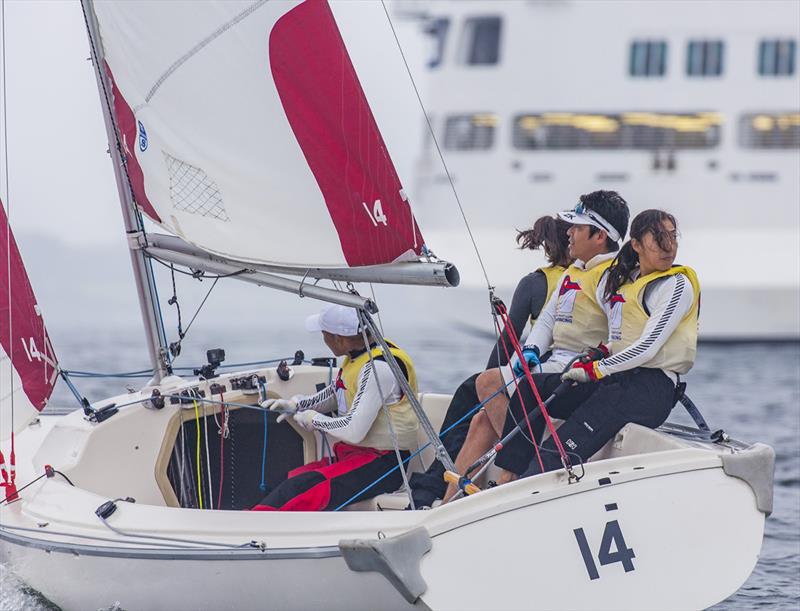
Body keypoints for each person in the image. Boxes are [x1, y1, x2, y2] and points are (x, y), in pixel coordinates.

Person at [445, 190, 631, 500]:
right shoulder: (575, 270)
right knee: (481, 420)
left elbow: (619, 338)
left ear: (599, 235)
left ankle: (525, 473)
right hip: (552, 363)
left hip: (579, 374)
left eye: (576, 227)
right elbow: (545, 321)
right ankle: (447, 503)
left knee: (488, 381)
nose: (568, 232)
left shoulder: (610, 278)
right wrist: (530, 350)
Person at [506, 209, 700, 480]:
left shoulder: (677, 286)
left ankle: (529, 484)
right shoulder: (627, 284)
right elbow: (622, 339)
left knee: (559, 447)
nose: (669, 246)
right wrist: (601, 353)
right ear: (635, 244)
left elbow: (647, 348)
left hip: (651, 389)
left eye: (672, 236)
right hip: (618, 379)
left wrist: (597, 369)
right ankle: (508, 478)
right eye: (657, 237)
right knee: (531, 389)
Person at [408, 214, 573, 508]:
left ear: (548, 248)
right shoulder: (590, 280)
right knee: (478, 410)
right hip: (555, 374)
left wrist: (487, 384)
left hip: (533, 377)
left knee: (470, 394)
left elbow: (508, 342)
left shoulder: (537, 282)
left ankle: (432, 489)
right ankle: (452, 498)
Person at [252, 304, 418, 511]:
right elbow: (337, 390)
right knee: (290, 477)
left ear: (339, 339)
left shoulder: (378, 369)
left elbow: (354, 430)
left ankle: (248, 530)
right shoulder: (358, 356)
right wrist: (296, 404)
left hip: (385, 464)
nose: (324, 340)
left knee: (301, 489)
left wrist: (314, 419)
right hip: (358, 455)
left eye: (324, 335)